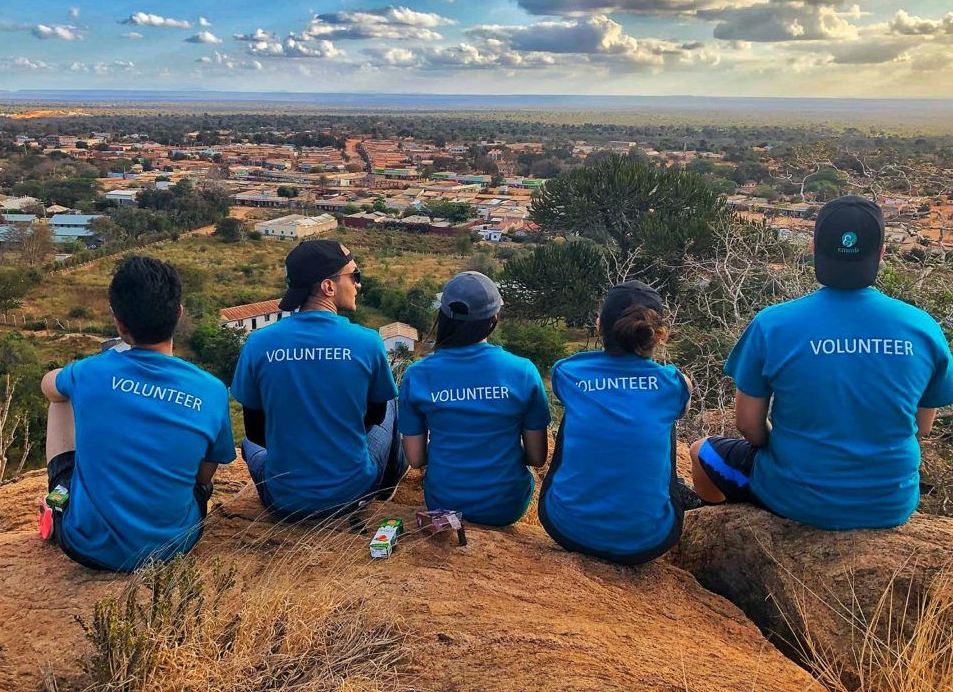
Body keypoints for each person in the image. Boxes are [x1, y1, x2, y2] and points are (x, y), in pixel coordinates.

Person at [690, 195, 953, 529]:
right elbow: (922, 428)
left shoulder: (773, 324)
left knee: (701, 450)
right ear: (882, 253)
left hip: (795, 497)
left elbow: (748, 427)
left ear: (814, 249)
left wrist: (791, 453)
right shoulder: (923, 328)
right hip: (890, 502)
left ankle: (708, 523)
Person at [39, 256, 236, 572]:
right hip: (175, 544)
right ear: (178, 313)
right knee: (197, 483)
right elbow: (203, 476)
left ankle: (58, 499)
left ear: (119, 324)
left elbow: (49, 386)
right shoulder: (211, 389)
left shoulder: (90, 372)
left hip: (88, 546)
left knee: (60, 400)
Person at [231, 239, 404, 518]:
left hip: (283, 498)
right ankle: (386, 489)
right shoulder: (367, 342)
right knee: (391, 400)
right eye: (354, 276)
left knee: (247, 443)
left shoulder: (258, 343)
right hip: (351, 491)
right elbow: (373, 418)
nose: (358, 285)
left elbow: (255, 432)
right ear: (328, 286)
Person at [538, 281, 693, 565]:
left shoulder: (567, 373)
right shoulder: (675, 383)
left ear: (599, 325)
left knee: (580, 411)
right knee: (661, 414)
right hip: (650, 540)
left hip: (567, 527)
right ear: (659, 335)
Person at [398, 272, 550, 526]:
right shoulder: (523, 372)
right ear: (494, 319)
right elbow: (537, 458)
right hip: (507, 506)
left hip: (443, 501)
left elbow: (415, 459)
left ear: (444, 317)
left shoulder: (417, 375)